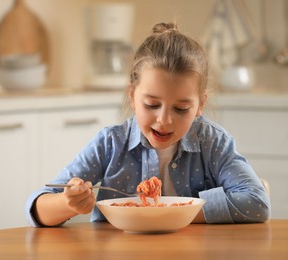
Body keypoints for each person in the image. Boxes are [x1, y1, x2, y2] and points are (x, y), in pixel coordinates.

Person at [25, 22, 270, 227]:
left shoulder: (213, 142)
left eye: (181, 108)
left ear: (200, 105)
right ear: (132, 97)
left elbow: (257, 203)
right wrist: (67, 203)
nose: (164, 120)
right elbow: (37, 206)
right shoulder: (110, 144)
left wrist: (172, 212)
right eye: (152, 105)